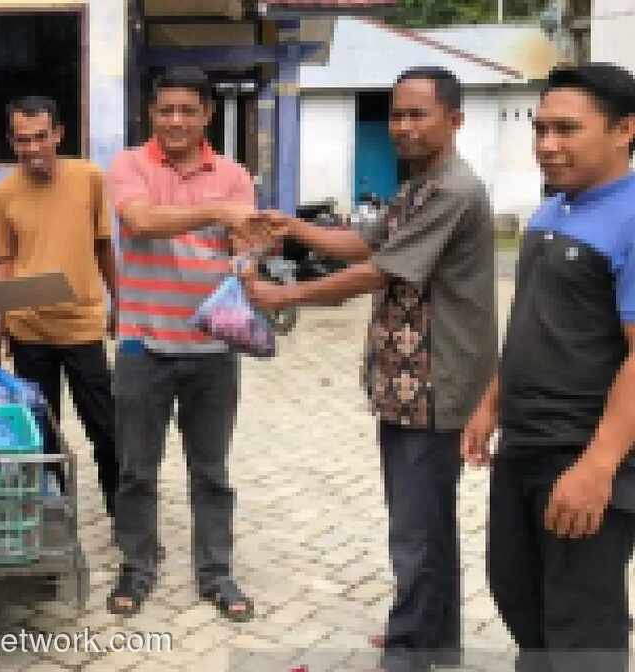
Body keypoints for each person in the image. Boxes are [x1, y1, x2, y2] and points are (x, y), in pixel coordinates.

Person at [244, 66, 496, 671]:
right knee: (427, 522)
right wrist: (295, 227)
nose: (403, 126)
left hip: (435, 383)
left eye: (418, 114)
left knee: (416, 527)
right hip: (406, 383)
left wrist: (286, 295)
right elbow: (366, 243)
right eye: (397, 114)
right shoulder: (419, 186)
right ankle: (437, 639)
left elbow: (375, 272)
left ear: (455, 120)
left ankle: (411, 650)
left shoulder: (454, 191)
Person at [461, 62, 635, 672]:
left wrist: (599, 466)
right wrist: (491, 405)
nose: (547, 145)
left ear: (625, 130)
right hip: (524, 446)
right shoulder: (551, 211)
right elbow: (533, 323)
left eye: (567, 129)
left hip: (582, 452)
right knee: (518, 592)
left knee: (581, 625)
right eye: (540, 129)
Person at [104, 66, 260, 620]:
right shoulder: (129, 165)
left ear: (207, 115)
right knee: (135, 470)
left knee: (211, 472)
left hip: (213, 351)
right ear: (151, 112)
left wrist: (250, 262)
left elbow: (245, 251)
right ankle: (137, 566)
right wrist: (216, 212)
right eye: (165, 110)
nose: (175, 120)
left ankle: (216, 573)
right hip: (142, 347)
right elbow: (141, 221)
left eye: (187, 111)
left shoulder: (234, 176)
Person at [0, 95, 120, 517]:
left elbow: (103, 245)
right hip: (29, 329)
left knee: (105, 425)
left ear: (58, 134)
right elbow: (4, 261)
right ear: (12, 142)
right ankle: (53, 512)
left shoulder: (89, 178)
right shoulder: (3, 194)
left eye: (41, 137)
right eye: (23, 140)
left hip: (82, 326)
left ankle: (122, 512)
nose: (33, 148)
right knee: (41, 427)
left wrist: (120, 301)